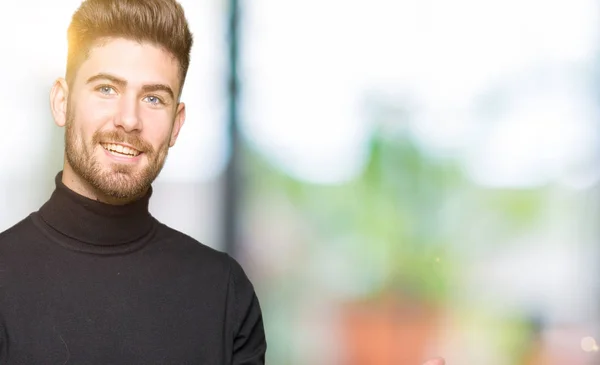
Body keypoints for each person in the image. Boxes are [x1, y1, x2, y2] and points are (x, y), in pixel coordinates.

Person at [0, 0, 266, 363]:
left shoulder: (224, 295)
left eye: (153, 98)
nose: (129, 120)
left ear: (176, 124)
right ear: (62, 102)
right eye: (107, 89)